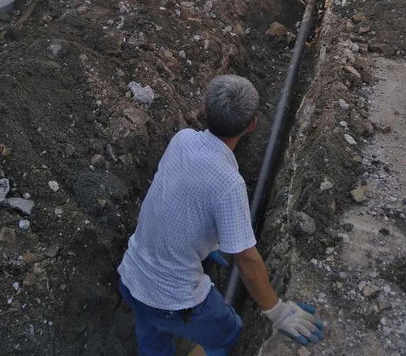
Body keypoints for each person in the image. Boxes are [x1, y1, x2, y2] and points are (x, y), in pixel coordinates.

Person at [118, 75, 324, 355]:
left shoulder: (182, 139)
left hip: (131, 279)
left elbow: (178, 198)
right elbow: (246, 259)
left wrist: (208, 245)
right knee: (228, 334)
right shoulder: (229, 183)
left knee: (153, 343)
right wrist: (277, 312)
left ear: (205, 107)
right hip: (176, 302)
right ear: (251, 125)